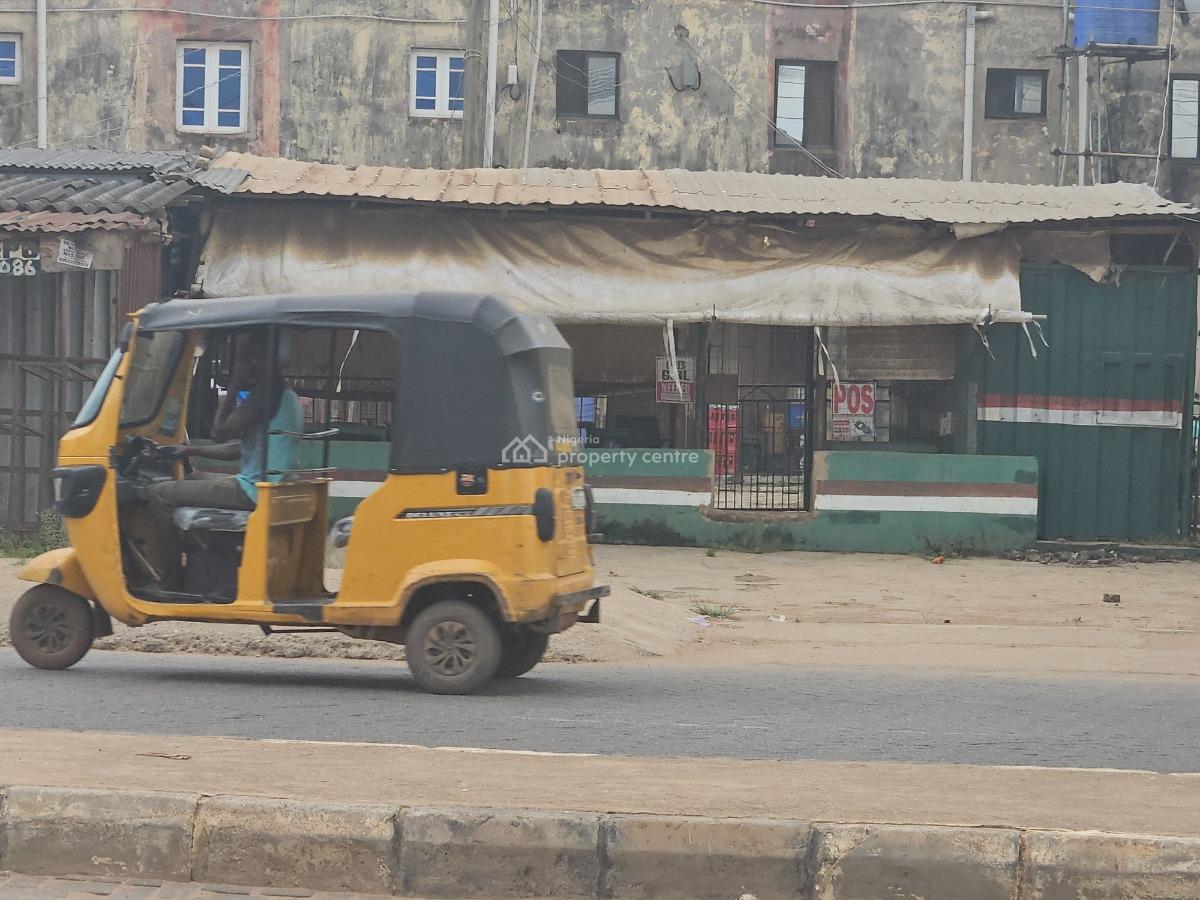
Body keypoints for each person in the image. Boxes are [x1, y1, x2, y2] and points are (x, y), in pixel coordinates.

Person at [150, 331, 303, 588]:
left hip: (252, 491)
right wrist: (191, 452)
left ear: (259, 358)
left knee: (159, 494)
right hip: (270, 487)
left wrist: (235, 381)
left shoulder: (265, 396)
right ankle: (199, 556)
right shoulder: (284, 395)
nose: (245, 362)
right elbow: (240, 449)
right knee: (193, 478)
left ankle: (171, 579)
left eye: (247, 356)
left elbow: (219, 433)